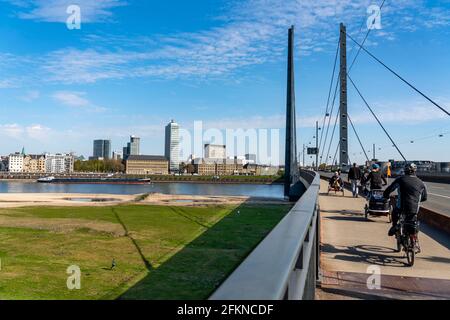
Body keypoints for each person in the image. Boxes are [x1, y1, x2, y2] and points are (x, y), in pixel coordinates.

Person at [384, 163, 427, 236]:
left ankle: (394, 226)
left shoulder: (400, 180)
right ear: (415, 171)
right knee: (413, 221)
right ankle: (413, 241)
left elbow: (390, 189)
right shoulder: (421, 183)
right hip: (414, 209)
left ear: (405, 170)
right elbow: (424, 198)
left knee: (395, 211)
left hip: (402, 207)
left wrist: (386, 195)